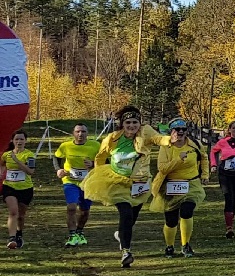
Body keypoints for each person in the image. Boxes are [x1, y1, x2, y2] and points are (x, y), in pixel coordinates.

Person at [83, 106, 170, 267]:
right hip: (117, 182)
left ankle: (121, 235)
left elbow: (159, 139)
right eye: (128, 122)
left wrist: (171, 140)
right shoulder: (113, 138)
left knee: (131, 218)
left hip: (140, 182)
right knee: (126, 214)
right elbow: (100, 157)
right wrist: (98, 172)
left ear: (140, 123)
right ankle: (126, 252)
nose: (131, 126)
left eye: (135, 122)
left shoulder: (146, 132)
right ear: (122, 124)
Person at [150, 118, 210, 258]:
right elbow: (162, 168)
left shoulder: (195, 144)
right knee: (171, 220)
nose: (180, 132)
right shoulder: (165, 147)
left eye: (183, 129)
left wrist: (205, 174)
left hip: (191, 185)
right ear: (171, 132)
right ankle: (169, 246)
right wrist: (178, 160)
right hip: (170, 186)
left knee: (186, 211)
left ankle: (185, 245)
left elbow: (204, 158)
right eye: (177, 129)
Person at [53, 123, 100, 247]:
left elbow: (105, 161)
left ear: (87, 133)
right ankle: (72, 235)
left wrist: (93, 164)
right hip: (70, 181)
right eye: (78, 131)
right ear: (73, 133)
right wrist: (58, 169)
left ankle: (79, 232)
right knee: (71, 207)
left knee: (84, 211)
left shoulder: (95, 145)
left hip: (88, 182)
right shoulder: (66, 146)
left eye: (83, 131)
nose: (80, 134)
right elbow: (56, 157)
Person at [2, 129, 35, 249]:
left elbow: (30, 171)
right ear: (12, 140)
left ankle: (19, 235)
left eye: (21, 139)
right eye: (17, 139)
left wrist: (17, 161)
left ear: (25, 141)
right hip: (9, 187)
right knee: (13, 211)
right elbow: (2, 165)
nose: (19, 141)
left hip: (25, 188)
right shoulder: (6, 155)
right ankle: (12, 238)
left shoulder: (29, 155)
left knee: (21, 216)